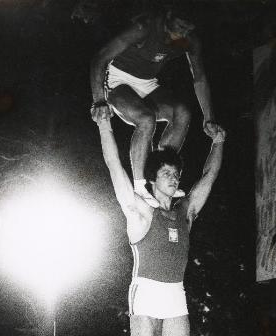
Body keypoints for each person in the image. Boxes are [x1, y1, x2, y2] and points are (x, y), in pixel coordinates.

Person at [94, 113, 225, 336]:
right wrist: (105, 126)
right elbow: (113, 166)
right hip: (146, 294)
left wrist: (218, 143)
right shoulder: (139, 210)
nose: (174, 177)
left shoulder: (186, 212)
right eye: (167, 173)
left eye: (176, 173)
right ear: (152, 179)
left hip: (174, 295)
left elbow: (208, 177)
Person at [90, 3, 217, 200]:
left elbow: (199, 78)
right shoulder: (145, 28)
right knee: (146, 119)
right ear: (168, 16)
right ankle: (140, 187)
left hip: (147, 83)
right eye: (179, 26)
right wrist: (98, 100)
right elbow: (100, 58)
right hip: (118, 79)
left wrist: (208, 117)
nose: (181, 33)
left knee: (182, 113)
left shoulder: (188, 40)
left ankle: (158, 176)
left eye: (186, 29)